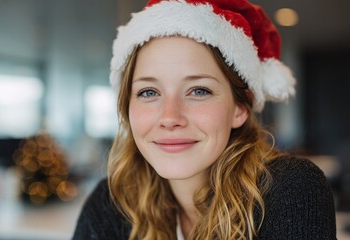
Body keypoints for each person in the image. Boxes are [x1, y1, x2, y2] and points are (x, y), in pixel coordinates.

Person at [73, 0, 336, 239]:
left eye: (199, 91)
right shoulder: (111, 203)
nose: (169, 117)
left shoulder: (290, 191)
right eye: (148, 92)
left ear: (240, 108)